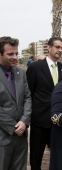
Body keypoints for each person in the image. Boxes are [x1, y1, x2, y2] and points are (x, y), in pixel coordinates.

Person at [26, 37, 62, 170]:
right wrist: (29, 117)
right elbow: (28, 94)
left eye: (61, 48)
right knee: (36, 157)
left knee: (58, 155)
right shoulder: (35, 67)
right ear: (49, 48)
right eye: (57, 47)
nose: (60, 50)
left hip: (58, 121)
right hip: (39, 121)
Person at [0, 36, 31, 170]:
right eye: (10, 54)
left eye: (16, 53)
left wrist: (24, 121)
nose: (15, 57)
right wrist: (13, 127)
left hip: (21, 136)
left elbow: (28, 97)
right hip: (3, 136)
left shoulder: (21, 72)